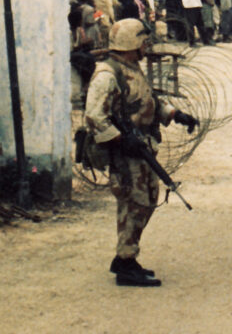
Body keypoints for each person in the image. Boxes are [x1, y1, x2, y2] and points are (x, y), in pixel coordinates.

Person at [83, 19, 198, 287]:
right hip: (124, 152)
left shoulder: (131, 69)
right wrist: (121, 140)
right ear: (131, 43)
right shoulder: (107, 74)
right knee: (133, 203)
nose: (146, 47)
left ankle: (127, 257)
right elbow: (94, 116)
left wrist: (175, 114)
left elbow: (147, 101)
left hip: (141, 146)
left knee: (147, 199)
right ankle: (125, 261)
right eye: (143, 42)